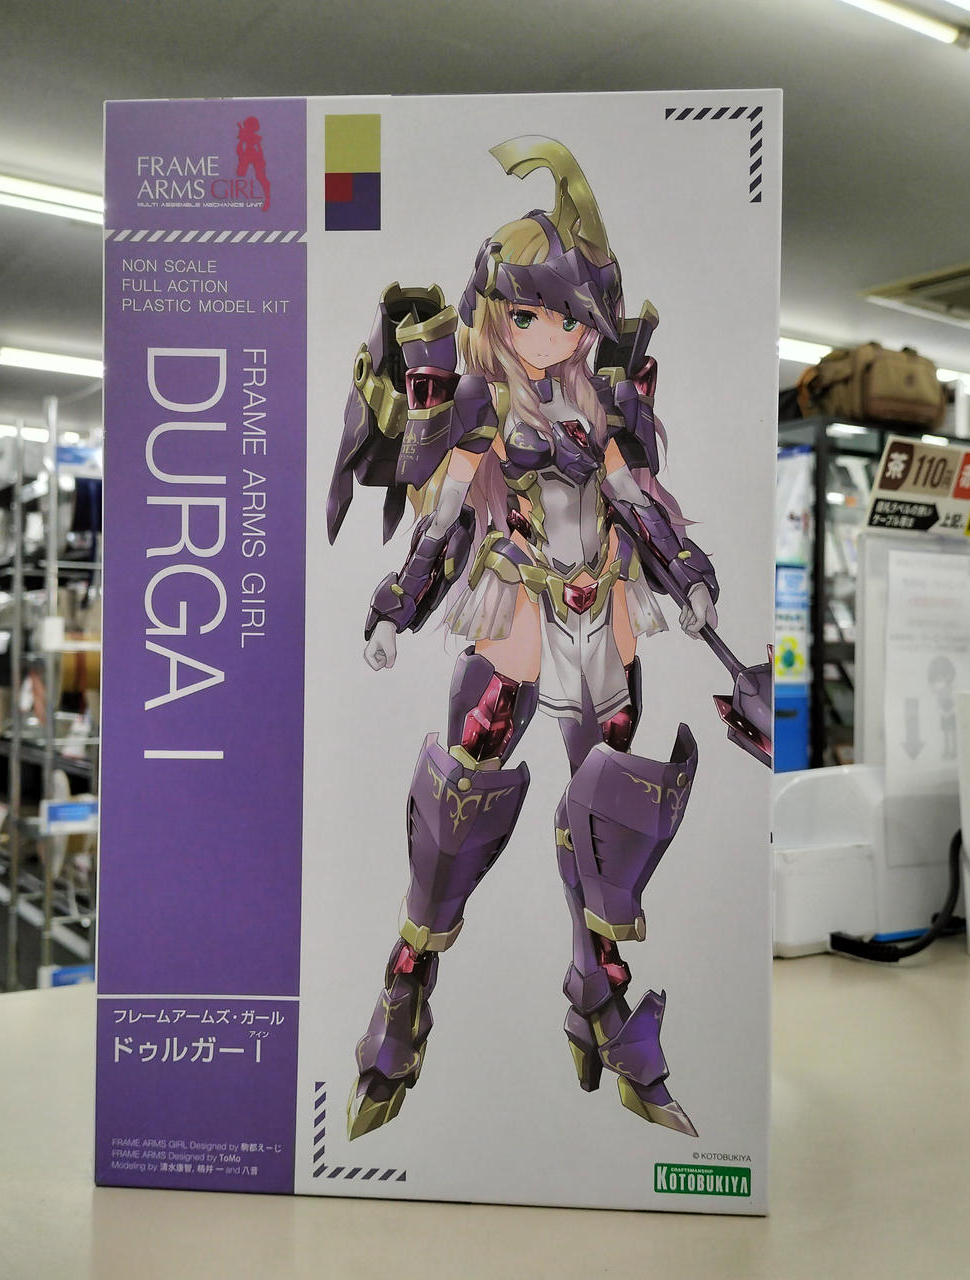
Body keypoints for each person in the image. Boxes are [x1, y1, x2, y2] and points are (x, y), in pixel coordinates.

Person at [326, 135, 770, 1143]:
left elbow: (636, 502)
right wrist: (399, 601)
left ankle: (598, 993)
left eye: (567, 316)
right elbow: (444, 523)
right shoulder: (485, 410)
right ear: (496, 312)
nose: (549, 331)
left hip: (601, 621)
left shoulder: (597, 407)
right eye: (528, 313)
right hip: (516, 623)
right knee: (460, 803)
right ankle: (405, 989)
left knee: (607, 816)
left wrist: (690, 577)